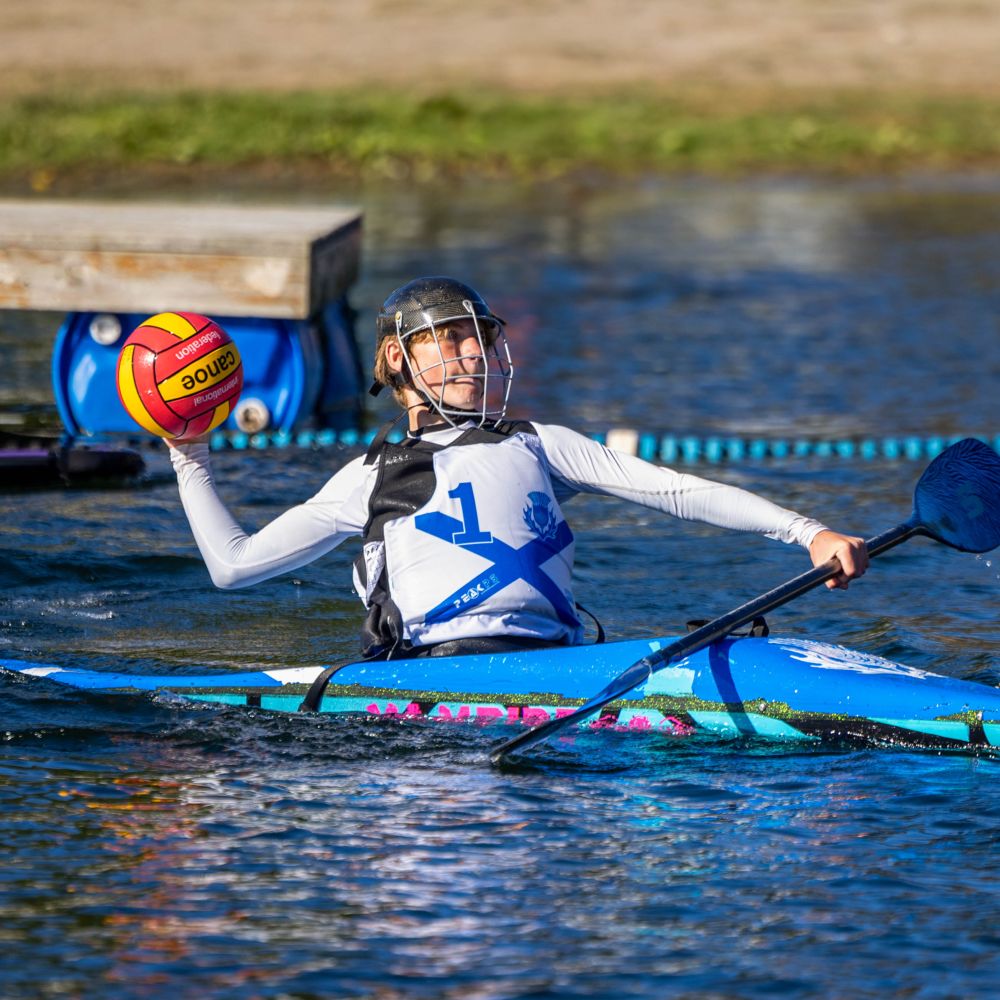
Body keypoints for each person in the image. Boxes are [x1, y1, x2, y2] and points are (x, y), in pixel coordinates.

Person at [169, 276, 868, 660]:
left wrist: (807, 533)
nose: (471, 357)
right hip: (428, 677)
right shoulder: (368, 477)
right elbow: (234, 566)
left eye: (478, 342)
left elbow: (678, 489)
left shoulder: (540, 442)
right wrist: (188, 454)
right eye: (448, 343)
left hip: (556, 665)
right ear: (396, 364)